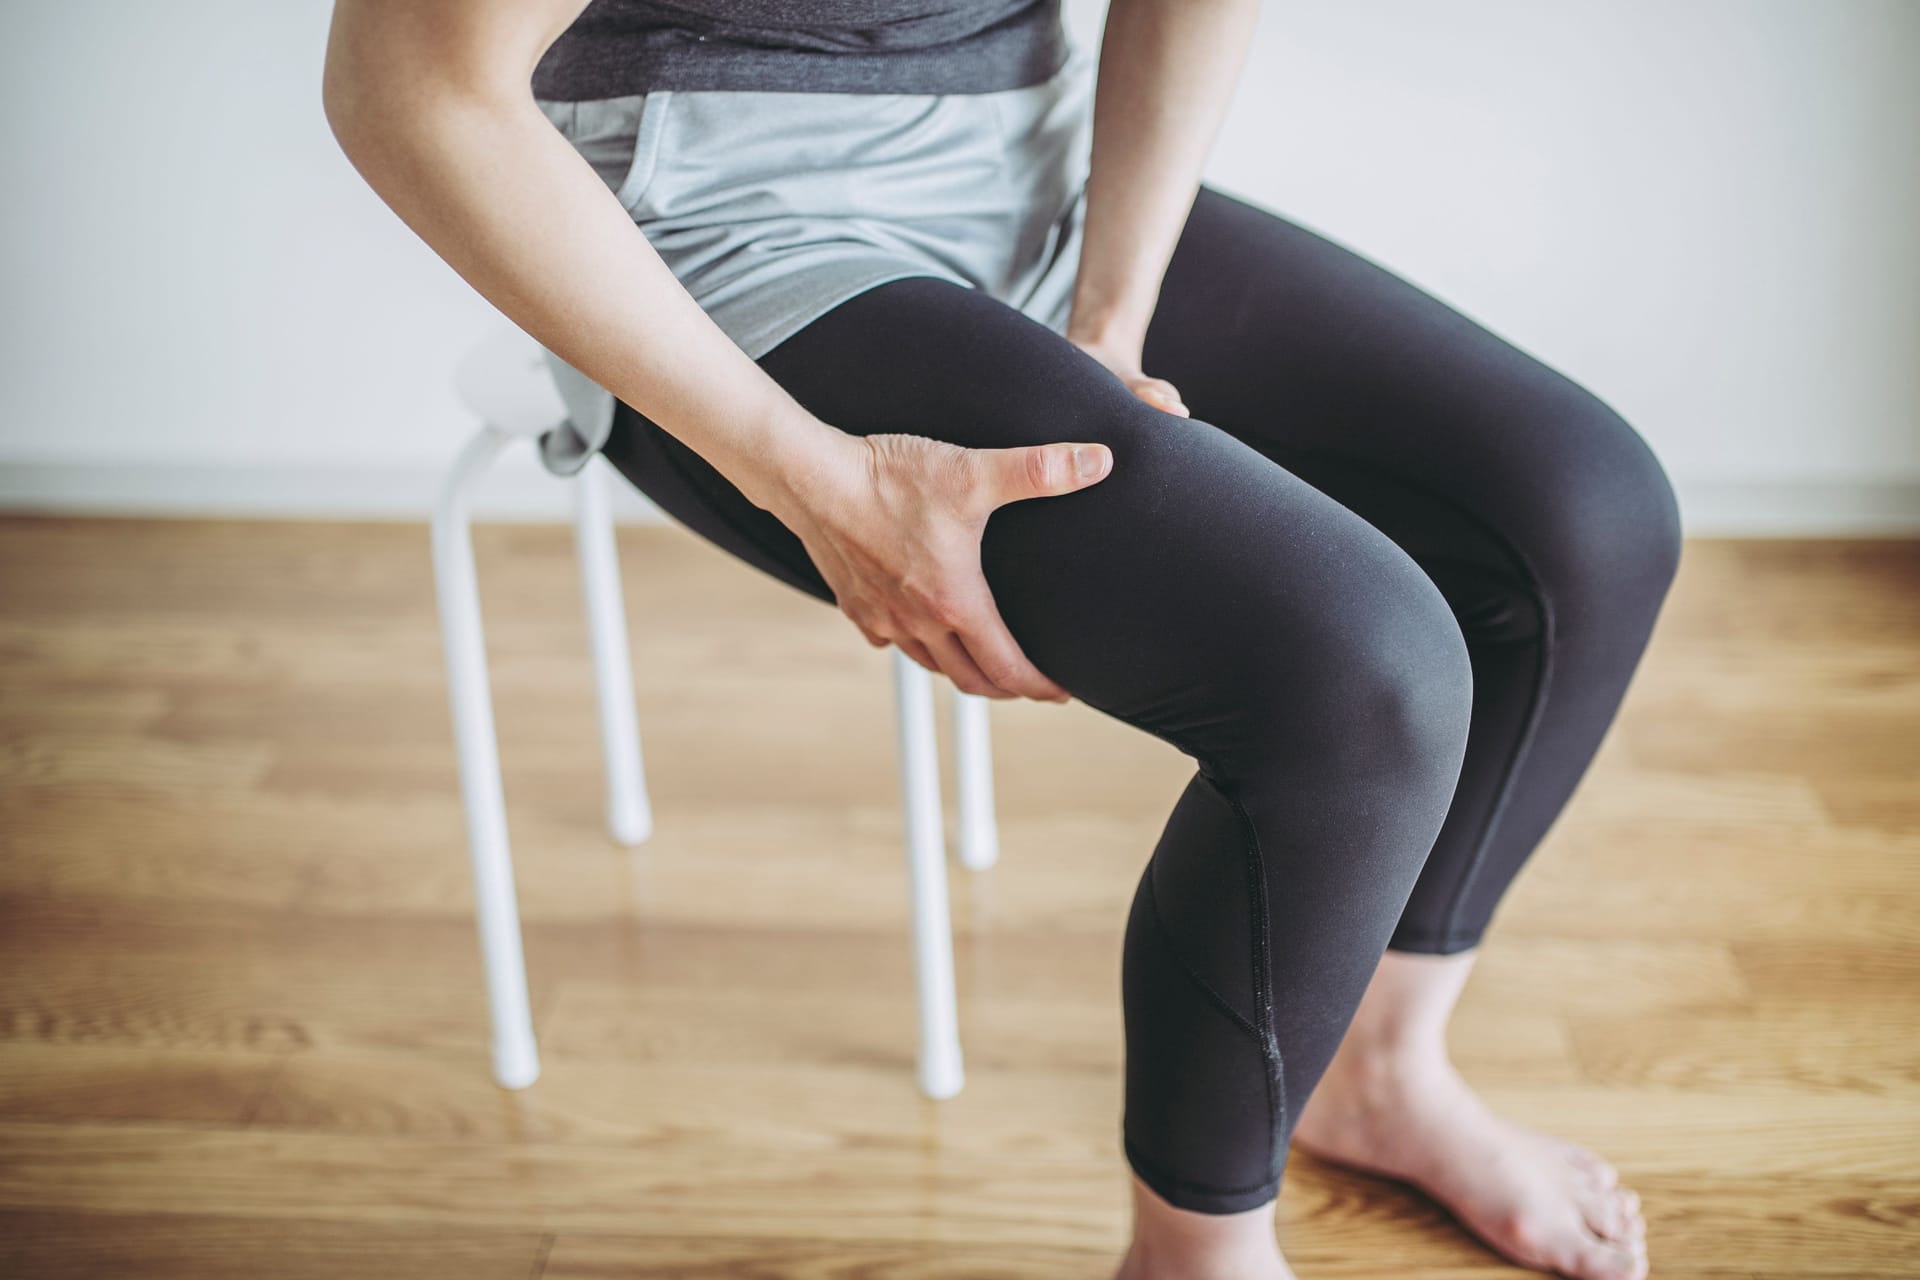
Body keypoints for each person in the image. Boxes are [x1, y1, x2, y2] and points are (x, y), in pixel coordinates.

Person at [322, 2, 1677, 1277]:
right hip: (714, 234)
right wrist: (817, 484)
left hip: (1022, 170)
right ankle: (1191, 1250)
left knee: (1589, 521)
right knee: (1357, 677)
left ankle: (1382, 1068)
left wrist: (1110, 320)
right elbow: (409, 85)